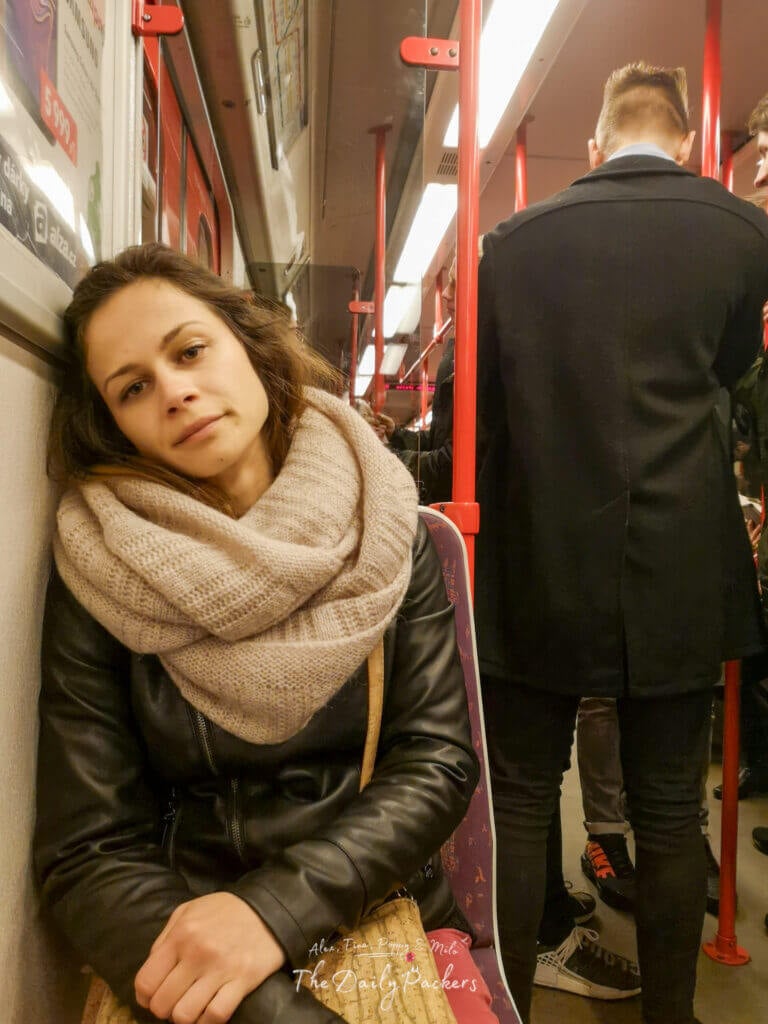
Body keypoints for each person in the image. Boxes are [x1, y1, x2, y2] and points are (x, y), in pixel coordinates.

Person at [34, 243, 495, 1024]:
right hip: (175, 927)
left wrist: (273, 912)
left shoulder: (379, 522)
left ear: (247, 344)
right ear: (112, 424)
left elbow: (437, 758)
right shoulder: (103, 561)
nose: (175, 392)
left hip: (369, 900)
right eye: (134, 387)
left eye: (189, 351)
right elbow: (88, 850)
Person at [475, 63, 768, 1024]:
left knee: (521, 799)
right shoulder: (743, 235)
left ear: (594, 145)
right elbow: (729, 370)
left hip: (540, 552)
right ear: (686, 141)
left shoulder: (511, 245)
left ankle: (508, 1001)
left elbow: (491, 417)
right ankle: (671, 1016)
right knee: (672, 808)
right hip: (682, 558)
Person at [388, 259, 456, 505]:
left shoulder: (482, 362)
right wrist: (396, 434)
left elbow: (453, 461)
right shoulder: (459, 355)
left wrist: (391, 460)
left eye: (455, 285)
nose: (447, 294)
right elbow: (440, 440)